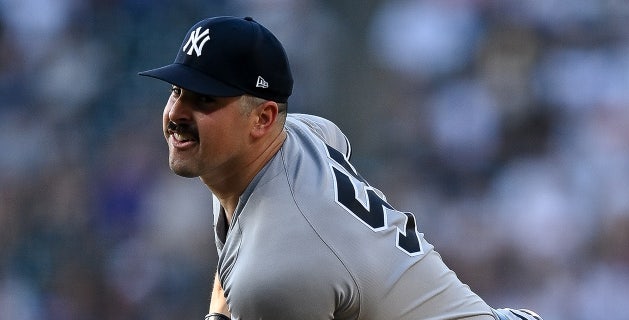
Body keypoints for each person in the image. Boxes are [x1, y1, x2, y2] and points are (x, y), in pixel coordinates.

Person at [139, 16, 543, 320]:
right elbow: (331, 139)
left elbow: (268, 266)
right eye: (177, 91)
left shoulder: (275, 275)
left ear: (262, 120)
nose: (176, 112)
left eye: (205, 100)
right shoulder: (298, 135)